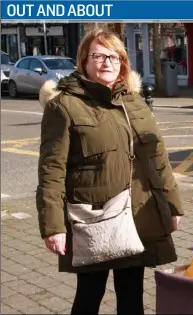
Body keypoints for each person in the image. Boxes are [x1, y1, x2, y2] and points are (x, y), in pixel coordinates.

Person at [37, 28, 183, 315]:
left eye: (114, 56)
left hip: (139, 213)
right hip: (94, 219)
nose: (107, 62)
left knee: (132, 297)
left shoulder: (134, 102)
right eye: (99, 55)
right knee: (90, 295)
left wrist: (172, 207)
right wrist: (53, 226)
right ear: (84, 60)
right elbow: (52, 171)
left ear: (123, 63)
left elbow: (158, 159)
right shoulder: (64, 106)